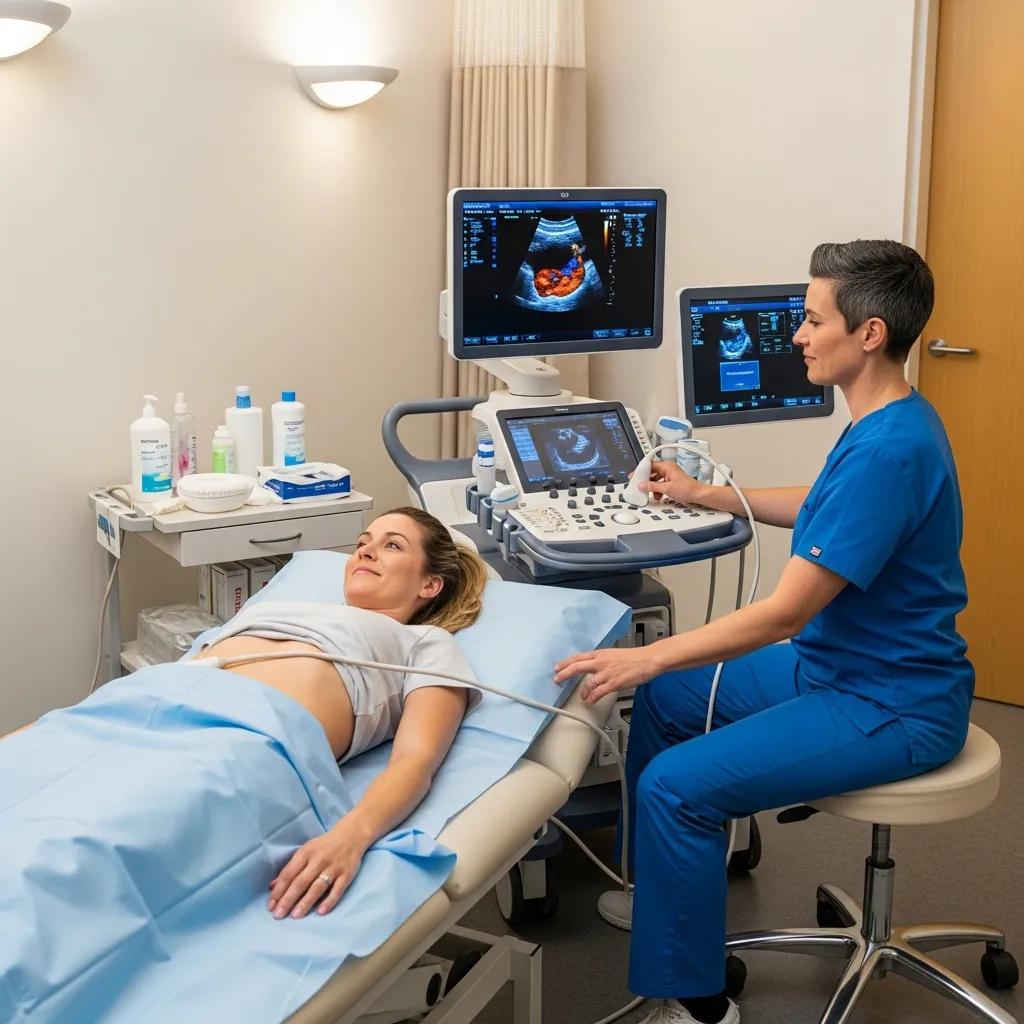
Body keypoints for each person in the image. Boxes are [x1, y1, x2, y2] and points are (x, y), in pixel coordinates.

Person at [554, 240, 973, 1024]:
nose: (799, 337)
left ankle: (699, 1004)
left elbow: (784, 613)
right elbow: (825, 502)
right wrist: (709, 493)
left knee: (675, 785)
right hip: (841, 669)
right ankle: (663, 901)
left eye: (813, 321)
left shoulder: (891, 450)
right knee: (675, 699)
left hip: (891, 703)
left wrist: (643, 655)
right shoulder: (892, 419)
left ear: (870, 333)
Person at [6, 506, 489, 923]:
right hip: (154, 698)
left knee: (62, 850)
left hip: (244, 736)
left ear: (429, 583)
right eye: (363, 542)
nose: (365, 550)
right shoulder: (285, 605)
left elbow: (416, 759)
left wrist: (352, 836)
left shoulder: (425, 643)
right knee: (21, 765)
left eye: (391, 546)